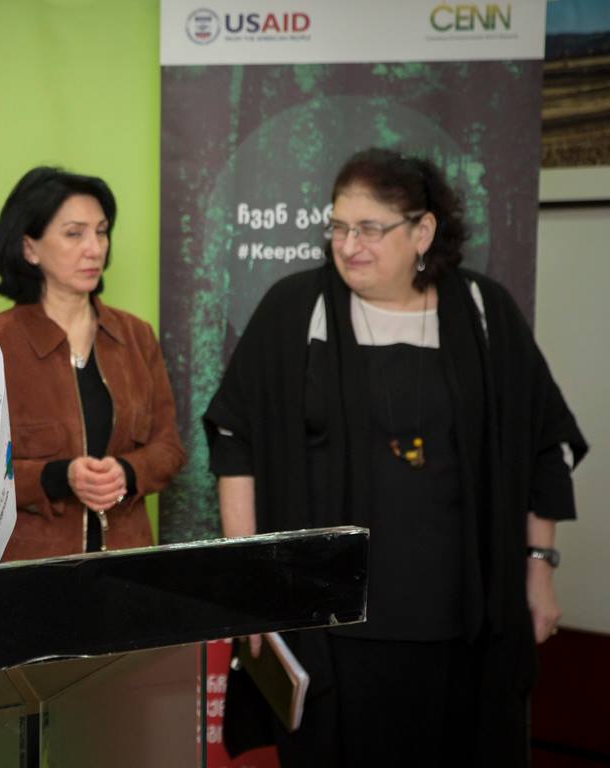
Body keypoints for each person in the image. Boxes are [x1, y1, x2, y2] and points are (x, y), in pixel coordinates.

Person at [204, 148, 587, 767]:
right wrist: (251, 578)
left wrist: (539, 570)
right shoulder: (296, 310)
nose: (348, 245)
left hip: (465, 622)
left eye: (369, 229)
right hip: (328, 626)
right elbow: (235, 441)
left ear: (423, 231)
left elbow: (543, 444)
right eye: (338, 227)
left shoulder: (484, 311)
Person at [0, 167, 186, 559]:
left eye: (101, 232)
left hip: (128, 563)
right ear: (29, 248)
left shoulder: (136, 335)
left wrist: (127, 471)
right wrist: (58, 477)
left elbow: (169, 450)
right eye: (74, 233)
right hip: (31, 569)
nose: (94, 248)